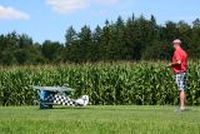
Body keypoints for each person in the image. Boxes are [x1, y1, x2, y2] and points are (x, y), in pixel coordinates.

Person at [167, 39, 188, 111]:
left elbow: (179, 62)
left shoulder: (177, 52)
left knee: (181, 89)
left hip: (180, 72)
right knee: (183, 89)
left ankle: (182, 106)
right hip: (184, 72)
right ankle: (183, 106)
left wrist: (171, 64)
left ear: (176, 44)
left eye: (173, 44)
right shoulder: (184, 52)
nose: (173, 46)